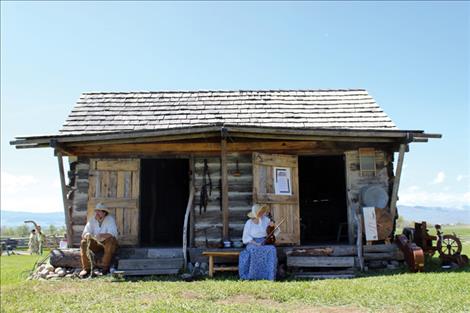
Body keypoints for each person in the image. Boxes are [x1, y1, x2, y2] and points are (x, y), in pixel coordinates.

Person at [239, 204, 278, 280]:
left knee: (272, 249)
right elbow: (246, 238)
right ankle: (254, 276)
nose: (262, 213)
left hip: (264, 242)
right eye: (260, 212)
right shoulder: (249, 223)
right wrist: (256, 243)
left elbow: (274, 231)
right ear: (255, 212)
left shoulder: (266, 219)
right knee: (254, 250)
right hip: (252, 243)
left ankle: (269, 276)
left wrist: (272, 226)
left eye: (263, 212)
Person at [79, 203, 119, 277]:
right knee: (84, 242)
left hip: (107, 244)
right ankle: (86, 269)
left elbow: (113, 233)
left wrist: (101, 235)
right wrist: (88, 235)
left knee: (111, 240)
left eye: (99, 211)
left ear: (104, 212)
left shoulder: (110, 219)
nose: (96, 213)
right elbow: (84, 233)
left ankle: (105, 267)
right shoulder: (92, 219)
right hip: (96, 244)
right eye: (96, 211)